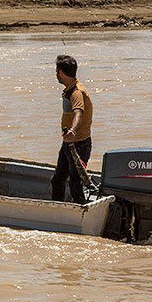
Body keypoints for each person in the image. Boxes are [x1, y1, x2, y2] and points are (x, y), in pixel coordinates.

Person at [51, 55, 94, 203]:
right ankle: (56, 209)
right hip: (68, 143)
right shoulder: (70, 89)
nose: (56, 74)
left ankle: (80, 214)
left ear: (61, 72)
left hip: (78, 144)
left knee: (75, 184)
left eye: (57, 71)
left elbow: (78, 112)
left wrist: (73, 130)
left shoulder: (76, 92)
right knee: (57, 179)